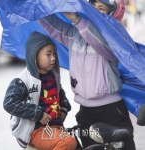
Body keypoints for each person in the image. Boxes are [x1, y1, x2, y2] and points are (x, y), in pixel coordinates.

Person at [37, 0, 136, 149]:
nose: (94, 12)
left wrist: (76, 19)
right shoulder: (74, 36)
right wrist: (36, 6)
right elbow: (51, 24)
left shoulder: (113, 38)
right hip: (85, 111)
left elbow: (98, 41)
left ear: (112, 15)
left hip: (111, 110)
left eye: (101, 8)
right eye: (92, 7)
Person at [3, 31, 77, 150]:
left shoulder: (53, 77)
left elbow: (62, 98)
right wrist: (38, 114)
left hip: (55, 128)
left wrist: (63, 111)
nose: (53, 58)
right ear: (35, 56)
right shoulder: (22, 81)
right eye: (48, 54)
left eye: (54, 54)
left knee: (82, 142)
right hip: (36, 130)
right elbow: (9, 103)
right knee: (67, 143)